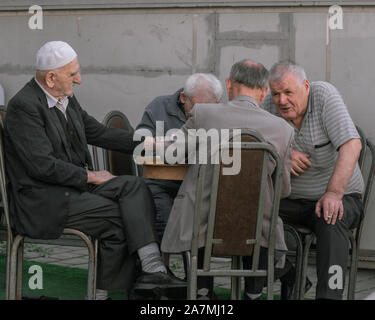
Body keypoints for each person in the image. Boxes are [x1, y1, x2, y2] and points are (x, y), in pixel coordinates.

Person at [4, 41, 185, 300]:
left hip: (73, 189)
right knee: (120, 216)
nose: (79, 79)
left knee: (135, 185)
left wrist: (152, 142)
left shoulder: (65, 97)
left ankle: (152, 270)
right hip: (43, 200)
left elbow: (99, 132)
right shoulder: (24, 106)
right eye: (73, 73)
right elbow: (42, 165)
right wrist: (91, 175)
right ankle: (107, 292)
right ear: (51, 78)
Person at [159, 59, 295, 300]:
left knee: (201, 206)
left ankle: (202, 291)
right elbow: (282, 190)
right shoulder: (283, 129)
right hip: (255, 232)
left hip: (203, 228)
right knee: (259, 215)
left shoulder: (203, 113)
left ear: (229, 84)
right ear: (264, 92)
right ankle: (252, 293)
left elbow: (173, 154)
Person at [261, 61, 364, 300]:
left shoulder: (324, 95)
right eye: (276, 94)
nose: (281, 101)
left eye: (288, 92)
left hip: (340, 196)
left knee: (331, 215)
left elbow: (352, 145)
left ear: (305, 86)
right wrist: (284, 153)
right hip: (290, 199)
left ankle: (330, 295)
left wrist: (334, 193)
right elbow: (256, 150)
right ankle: (292, 276)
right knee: (253, 211)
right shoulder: (267, 105)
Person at [136, 73, 223, 241]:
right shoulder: (159, 106)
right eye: (198, 108)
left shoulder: (221, 114)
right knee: (160, 209)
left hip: (201, 186)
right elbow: (141, 147)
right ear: (184, 97)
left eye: (209, 109)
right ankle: (160, 259)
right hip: (164, 183)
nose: (202, 115)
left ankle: (198, 261)